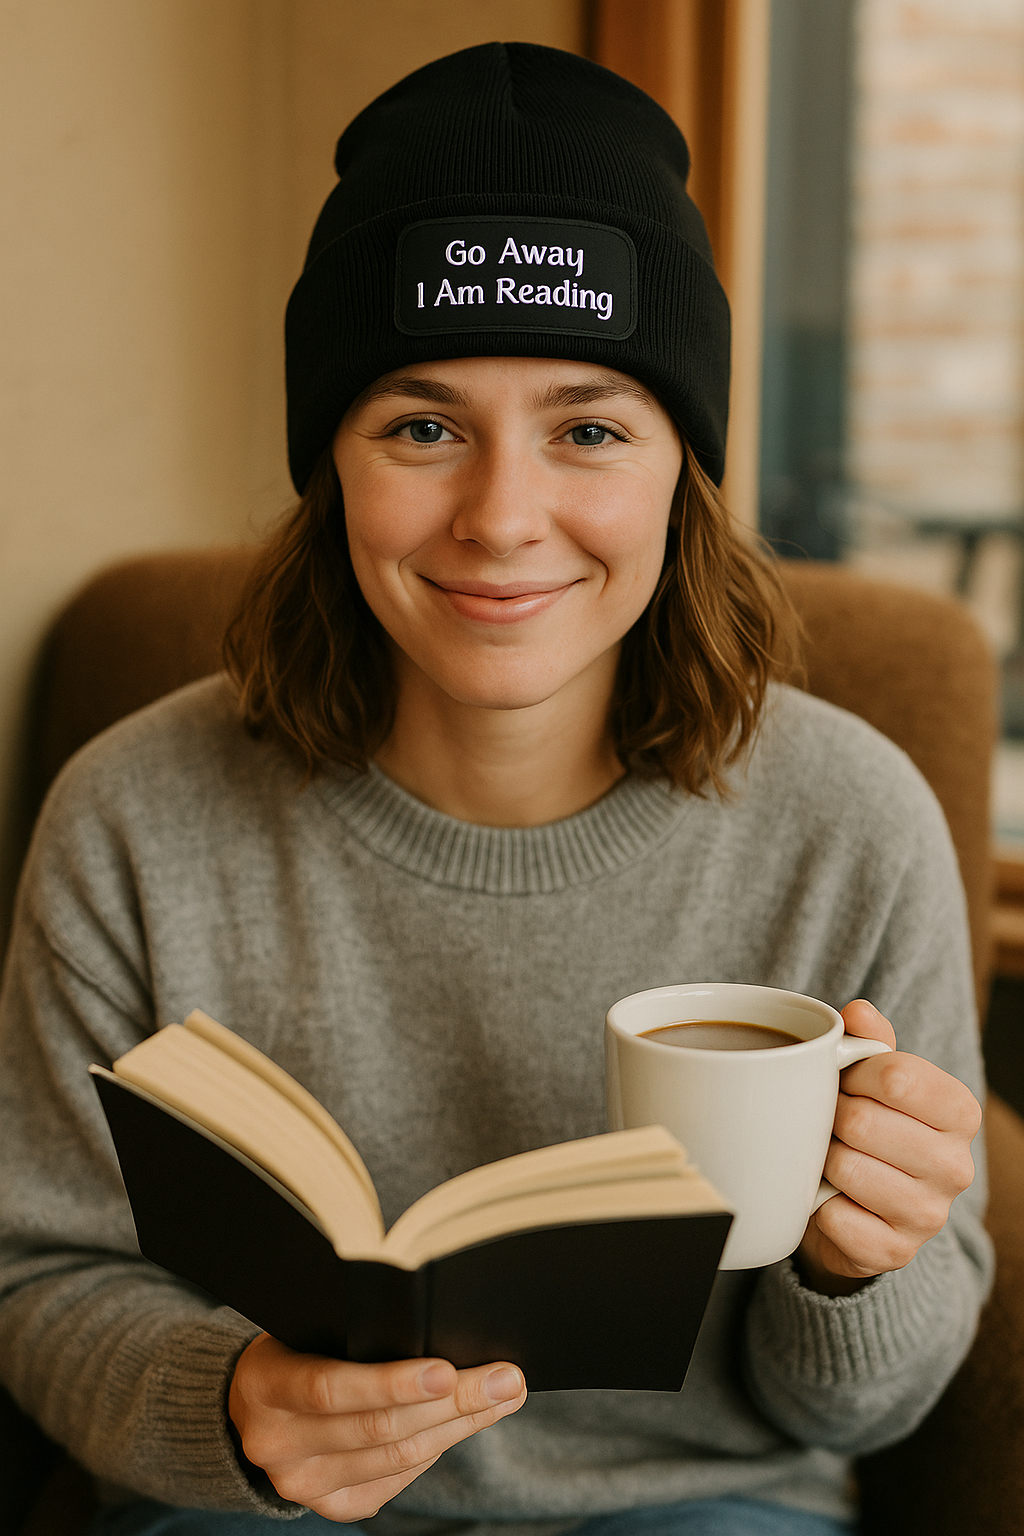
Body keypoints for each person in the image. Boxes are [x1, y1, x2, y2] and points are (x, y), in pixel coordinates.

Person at [0, 41, 989, 1536]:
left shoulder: (854, 825)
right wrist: (230, 1406)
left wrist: (858, 1265)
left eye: (589, 429)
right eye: (422, 428)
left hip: (702, 1507)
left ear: (681, 470)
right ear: (332, 467)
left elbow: (860, 1414)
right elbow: (40, 1274)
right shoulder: (133, 816)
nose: (503, 517)